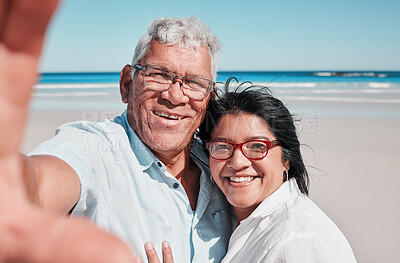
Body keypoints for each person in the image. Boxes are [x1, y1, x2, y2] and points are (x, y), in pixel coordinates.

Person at [13, 5, 233, 263]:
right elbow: (41, 181)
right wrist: (16, 183)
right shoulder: (98, 150)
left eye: (194, 83)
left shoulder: (223, 167)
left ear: (209, 100)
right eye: (159, 75)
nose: (175, 96)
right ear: (127, 84)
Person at [195, 81, 357, 262]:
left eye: (257, 146)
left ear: (286, 159)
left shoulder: (297, 240)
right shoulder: (236, 223)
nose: (238, 161)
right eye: (222, 147)